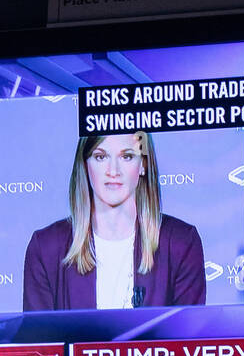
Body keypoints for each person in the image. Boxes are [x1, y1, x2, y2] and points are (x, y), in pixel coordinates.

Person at [22, 131, 206, 311]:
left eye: (126, 156)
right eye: (101, 157)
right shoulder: (46, 248)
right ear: (85, 164)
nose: (113, 171)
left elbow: (188, 336)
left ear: (143, 164)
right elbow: (39, 339)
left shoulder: (181, 244)